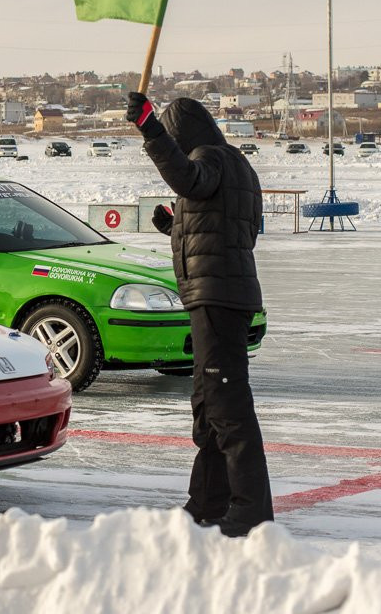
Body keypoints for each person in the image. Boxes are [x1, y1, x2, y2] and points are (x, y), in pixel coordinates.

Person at [126, 92, 273, 538]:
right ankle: (207, 500)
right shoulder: (237, 166)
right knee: (208, 404)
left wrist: (150, 130)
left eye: (172, 134)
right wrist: (177, 227)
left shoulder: (209, 158)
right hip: (220, 294)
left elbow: (189, 180)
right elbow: (233, 228)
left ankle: (251, 510)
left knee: (227, 406)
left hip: (217, 298)